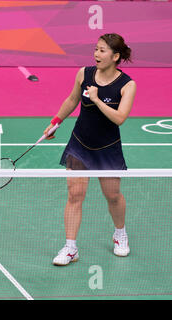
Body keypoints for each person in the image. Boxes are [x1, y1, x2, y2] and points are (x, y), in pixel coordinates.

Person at [43, 33, 136, 266]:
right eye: (96, 49)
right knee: (75, 195)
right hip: (80, 144)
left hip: (108, 148)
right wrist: (56, 121)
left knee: (112, 195)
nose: (96, 54)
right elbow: (72, 99)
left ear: (115, 56)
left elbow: (120, 118)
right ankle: (70, 247)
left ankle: (120, 234)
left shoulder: (127, 85)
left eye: (102, 50)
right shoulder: (84, 74)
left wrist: (96, 99)